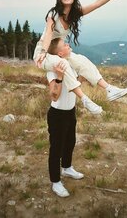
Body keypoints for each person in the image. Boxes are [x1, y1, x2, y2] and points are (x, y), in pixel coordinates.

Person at [33, 0, 127, 109]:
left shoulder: (75, 14)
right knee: (64, 64)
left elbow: (96, 4)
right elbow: (49, 34)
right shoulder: (54, 14)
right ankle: (85, 100)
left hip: (58, 50)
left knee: (83, 60)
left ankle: (109, 89)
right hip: (43, 53)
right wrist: (43, 52)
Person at [47, 59, 84, 198]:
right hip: (57, 114)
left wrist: (82, 75)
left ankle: (67, 168)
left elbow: (75, 86)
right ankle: (55, 181)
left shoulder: (72, 67)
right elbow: (54, 96)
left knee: (70, 142)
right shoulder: (52, 70)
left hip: (70, 111)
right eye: (65, 44)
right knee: (56, 148)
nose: (69, 46)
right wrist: (59, 76)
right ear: (58, 52)